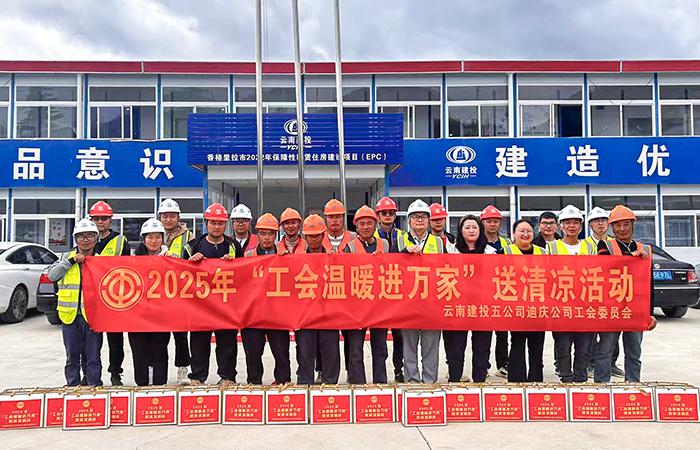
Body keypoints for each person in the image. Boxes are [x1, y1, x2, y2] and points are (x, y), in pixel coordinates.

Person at [594, 205, 657, 383]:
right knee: (605, 351)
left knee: (634, 352)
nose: (622, 229)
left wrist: (649, 313)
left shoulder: (646, 249)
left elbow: (649, 283)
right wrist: (632, 257)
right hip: (611, 309)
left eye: (626, 224)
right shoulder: (605, 245)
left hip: (635, 309)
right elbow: (604, 269)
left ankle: (633, 386)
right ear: (612, 228)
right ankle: (602, 387)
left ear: (632, 225)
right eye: (617, 225)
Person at [183, 203, 242, 385]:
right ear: (206, 223)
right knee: (199, 342)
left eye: (221, 223)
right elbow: (180, 273)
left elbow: (244, 273)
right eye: (213, 223)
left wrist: (233, 263)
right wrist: (190, 262)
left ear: (226, 225)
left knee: (227, 343)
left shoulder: (233, 246)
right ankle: (197, 376)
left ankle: (227, 376)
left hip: (226, 304)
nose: (217, 227)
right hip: (201, 305)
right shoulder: (192, 246)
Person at [391, 199, 445, 384]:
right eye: (415, 217)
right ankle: (412, 380)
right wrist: (404, 253)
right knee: (409, 345)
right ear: (409, 220)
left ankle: (429, 380)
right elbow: (389, 267)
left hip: (432, 302)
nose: (419, 220)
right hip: (408, 303)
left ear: (429, 220)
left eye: (423, 217)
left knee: (431, 344)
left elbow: (447, 269)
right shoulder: (399, 241)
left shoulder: (438, 242)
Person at [47, 219, 103, 387]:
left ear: (96, 238)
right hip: (69, 317)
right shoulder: (65, 258)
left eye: (89, 236)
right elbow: (52, 275)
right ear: (75, 239)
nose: (85, 240)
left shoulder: (101, 262)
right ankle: (72, 386)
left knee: (93, 357)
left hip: (92, 318)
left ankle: (94, 386)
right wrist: (71, 261)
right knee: (72, 357)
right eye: (81, 236)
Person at [547, 205, 596, 383]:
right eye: (567, 222)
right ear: (561, 226)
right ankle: (566, 377)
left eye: (576, 222)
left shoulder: (590, 247)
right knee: (563, 345)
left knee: (584, 346)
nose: (572, 226)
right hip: (561, 306)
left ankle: (581, 378)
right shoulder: (552, 247)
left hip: (585, 305)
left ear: (581, 226)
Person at [242, 213, 291, 385]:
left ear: (276, 235)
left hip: (277, 314)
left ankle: (283, 381)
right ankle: (254, 383)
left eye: (270, 233)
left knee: (281, 353)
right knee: (253, 354)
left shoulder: (285, 257)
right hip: (253, 315)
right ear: (257, 234)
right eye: (263, 233)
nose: (267, 238)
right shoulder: (247, 257)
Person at [344, 206, 391, 384]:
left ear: (375, 225)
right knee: (356, 349)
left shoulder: (385, 245)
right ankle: (357, 383)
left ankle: (380, 382)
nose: (365, 227)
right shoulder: (349, 247)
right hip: (357, 307)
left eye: (369, 223)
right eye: (362, 224)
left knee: (380, 348)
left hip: (379, 305)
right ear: (356, 226)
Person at [448, 215, 496, 383]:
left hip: (483, 307)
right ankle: (455, 380)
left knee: (482, 348)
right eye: (467, 227)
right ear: (460, 231)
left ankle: (479, 382)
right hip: (458, 306)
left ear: (480, 230)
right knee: (456, 347)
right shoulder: (451, 251)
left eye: (474, 227)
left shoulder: (490, 252)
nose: (471, 231)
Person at [295, 214, 341, 385]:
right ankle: (305, 384)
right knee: (305, 352)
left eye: (317, 236)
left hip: (328, 314)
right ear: (305, 237)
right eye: (310, 236)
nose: (313, 239)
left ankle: (330, 384)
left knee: (331, 352)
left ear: (323, 235)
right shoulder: (297, 259)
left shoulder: (333, 257)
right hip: (305, 314)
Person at [501, 220, 548, 382]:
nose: (525, 234)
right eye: (521, 231)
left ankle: (536, 380)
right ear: (514, 233)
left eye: (528, 231)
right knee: (517, 342)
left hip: (538, 306)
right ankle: (517, 380)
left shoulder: (543, 252)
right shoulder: (505, 252)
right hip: (516, 306)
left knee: (537, 344)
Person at [89, 200, 130, 386]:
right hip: (92, 298)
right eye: (96, 218)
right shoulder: (86, 238)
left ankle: (115, 373)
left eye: (104, 218)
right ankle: (90, 374)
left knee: (115, 341)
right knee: (91, 341)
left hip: (114, 298)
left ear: (110, 220)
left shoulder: (120, 241)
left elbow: (128, 267)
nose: (100, 222)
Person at [584, 207, 625, 379]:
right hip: (591, 294)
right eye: (596, 221)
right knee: (591, 333)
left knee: (612, 332)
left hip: (611, 294)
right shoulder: (585, 244)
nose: (600, 223)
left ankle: (611, 363)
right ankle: (591, 364)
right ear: (590, 225)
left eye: (603, 220)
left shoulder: (615, 243)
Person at [128, 219, 170, 386]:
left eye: (158, 237)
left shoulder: (171, 259)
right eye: (150, 237)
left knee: (160, 350)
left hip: (161, 315)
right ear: (143, 239)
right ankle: (142, 385)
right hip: (138, 315)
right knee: (139, 351)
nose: (154, 241)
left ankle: (160, 385)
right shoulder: (132, 259)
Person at [158, 198, 194, 385]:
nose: (168, 219)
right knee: (159, 335)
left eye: (172, 216)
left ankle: (183, 369)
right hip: (158, 293)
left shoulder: (188, 236)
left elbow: (194, 260)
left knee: (181, 335)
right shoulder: (154, 232)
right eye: (165, 216)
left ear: (178, 217)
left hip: (180, 292)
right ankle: (158, 371)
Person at [374, 196, 406, 382]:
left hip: (398, 292)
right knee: (379, 337)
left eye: (391, 213)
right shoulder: (371, 235)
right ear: (378, 216)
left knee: (399, 335)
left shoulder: (403, 236)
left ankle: (398, 369)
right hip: (378, 293)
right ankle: (380, 374)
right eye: (384, 213)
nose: (387, 216)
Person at [480, 204, 511, 378]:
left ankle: (502, 364)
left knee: (502, 331)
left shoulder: (507, 242)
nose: (492, 224)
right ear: (483, 222)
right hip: (482, 291)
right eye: (489, 221)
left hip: (502, 290)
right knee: (483, 333)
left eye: (496, 221)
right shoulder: (478, 242)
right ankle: (483, 365)